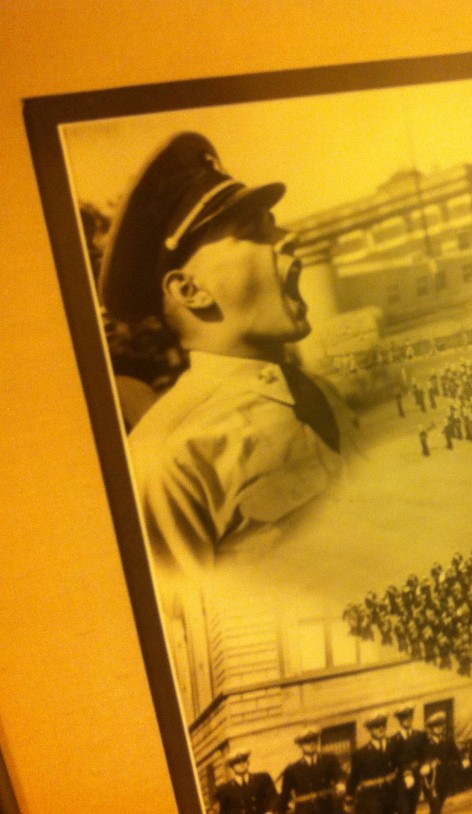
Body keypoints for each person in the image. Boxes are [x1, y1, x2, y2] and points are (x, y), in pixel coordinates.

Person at [101, 132, 346, 575]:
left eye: (274, 222)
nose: (289, 237)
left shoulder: (317, 392)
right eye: (255, 230)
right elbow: (190, 633)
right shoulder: (168, 458)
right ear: (190, 291)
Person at [278, 728, 345, 814]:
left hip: (327, 808)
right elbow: (285, 795)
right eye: (307, 741)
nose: (312, 744)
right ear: (300, 745)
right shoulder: (292, 769)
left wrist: (341, 783)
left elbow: (339, 774)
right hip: (305, 810)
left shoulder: (329, 759)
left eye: (314, 740)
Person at [345, 714, 399, 814]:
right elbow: (354, 778)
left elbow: (402, 764)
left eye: (383, 725)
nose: (381, 728)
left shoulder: (395, 745)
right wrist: (349, 798)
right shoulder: (360, 754)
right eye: (376, 726)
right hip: (372, 798)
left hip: (394, 794)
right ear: (370, 730)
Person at [419, 712, 469, 814]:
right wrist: (426, 765)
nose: (439, 728)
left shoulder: (448, 740)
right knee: (435, 805)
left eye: (440, 725)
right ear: (431, 728)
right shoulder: (426, 742)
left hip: (445, 777)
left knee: (439, 806)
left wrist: (463, 759)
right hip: (431, 779)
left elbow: (456, 752)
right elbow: (423, 757)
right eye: (436, 726)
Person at [388, 707, 428, 814]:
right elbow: (393, 761)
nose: (408, 720)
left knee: (413, 807)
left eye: (410, 717)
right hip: (401, 779)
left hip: (417, 775)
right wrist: (404, 772)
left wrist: (425, 764)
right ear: (400, 720)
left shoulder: (420, 735)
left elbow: (425, 753)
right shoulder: (393, 740)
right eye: (404, 718)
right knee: (403, 809)